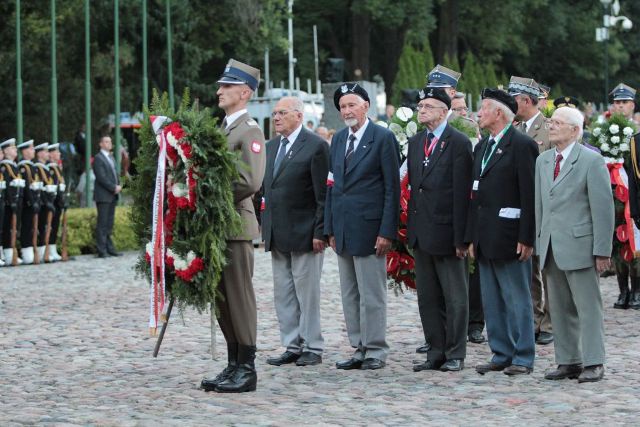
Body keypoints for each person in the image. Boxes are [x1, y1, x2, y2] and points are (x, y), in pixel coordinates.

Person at [324, 82, 400, 370]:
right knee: (350, 293)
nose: (347, 111)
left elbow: (392, 188)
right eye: (343, 107)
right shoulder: (339, 139)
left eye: (352, 105)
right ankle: (359, 346)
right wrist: (329, 227)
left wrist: (386, 231)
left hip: (371, 229)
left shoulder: (382, 138)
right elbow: (332, 185)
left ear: (366, 106)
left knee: (372, 294)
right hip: (343, 228)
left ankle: (376, 348)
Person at [200, 59, 265, 393]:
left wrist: (210, 195)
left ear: (244, 92)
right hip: (219, 227)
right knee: (222, 299)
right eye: (220, 86)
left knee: (239, 297)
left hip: (236, 225)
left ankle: (247, 369)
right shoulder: (224, 128)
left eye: (226, 87)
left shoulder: (249, 129)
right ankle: (233, 363)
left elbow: (250, 180)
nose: (219, 91)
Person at [536, 106, 614, 383]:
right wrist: (538, 242)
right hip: (551, 246)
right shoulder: (544, 161)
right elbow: (540, 206)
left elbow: (603, 210)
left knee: (588, 307)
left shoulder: (591, 161)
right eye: (551, 121)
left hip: (580, 245)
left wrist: (602, 250)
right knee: (558, 306)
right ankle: (568, 360)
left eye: (558, 122)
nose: (552, 126)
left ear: (575, 130)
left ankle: (594, 361)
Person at [468, 88, 538, 376]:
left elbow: (529, 194)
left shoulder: (521, 145)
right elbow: (476, 195)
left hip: (511, 236)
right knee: (492, 299)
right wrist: (471, 236)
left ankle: (523, 355)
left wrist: (527, 237)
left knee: (517, 297)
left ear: (499, 113)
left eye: (484, 108)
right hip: (485, 235)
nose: (479, 113)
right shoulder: (483, 146)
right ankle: (501, 351)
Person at [407, 87, 472, 372]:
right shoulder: (415, 141)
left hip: (448, 232)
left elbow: (462, 193)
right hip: (422, 232)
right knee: (428, 297)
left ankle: (455, 351)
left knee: (455, 296)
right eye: (420, 105)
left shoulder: (457, 142)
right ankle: (435, 350)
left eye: (428, 106)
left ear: (444, 112)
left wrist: (462, 237)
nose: (421, 110)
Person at [262, 96, 329, 367]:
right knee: (284, 293)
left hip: (305, 233)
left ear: (299, 116)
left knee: (307, 293)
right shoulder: (271, 146)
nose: (276, 117)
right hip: (277, 231)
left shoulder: (316, 146)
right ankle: (292, 344)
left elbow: (323, 194)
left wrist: (320, 232)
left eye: (282, 113)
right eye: (274, 113)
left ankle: (312, 345)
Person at [509, 76, 553, 346]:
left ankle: (550, 321)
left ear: (526, 101)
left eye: (514, 100)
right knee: (529, 267)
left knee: (547, 268)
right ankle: (535, 318)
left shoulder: (547, 129)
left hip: (544, 207)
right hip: (521, 208)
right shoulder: (514, 128)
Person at [92, 135, 122, 258]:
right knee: (102, 223)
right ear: (100, 144)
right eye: (106, 141)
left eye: (110, 141)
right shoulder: (98, 158)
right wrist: (113, 187)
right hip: (104, 195)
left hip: (112, 195)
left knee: (109, 224)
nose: (109, 143)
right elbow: (101, 177)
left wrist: (118, 185)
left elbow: (115, 173)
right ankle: (101, 249)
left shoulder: (111, 157)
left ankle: (109, 248)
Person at [18, 140, 42, 265]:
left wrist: (38, 201)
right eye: (31, 149)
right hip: (28, 204)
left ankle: (31, 251)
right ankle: (26, 252)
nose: (34, 151)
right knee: (27, 227)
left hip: (35, 201)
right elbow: (26, 187)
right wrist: (31, 202)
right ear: (25, 151)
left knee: (33, 227)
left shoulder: (32, 166)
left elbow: (36, 186)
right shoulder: (23, 167)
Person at [1, 138, 24, 265]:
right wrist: (11, 201)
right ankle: (7, 253)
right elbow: (8, 186)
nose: (15, 150)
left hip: (16, 202)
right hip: (9, 203)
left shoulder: (14, 166)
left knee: (14, 228)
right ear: (6, 151)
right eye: (12, 148)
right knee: (7, 228)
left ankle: (11, 252)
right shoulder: (5, 166)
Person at [33, 143, 58, 261]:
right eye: (46, 151)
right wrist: (45, 201)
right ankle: (40, 252)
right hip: (42, 203)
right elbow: (40, 187)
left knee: (48, 227)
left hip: (49, 201)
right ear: (40, 154)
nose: (48, 154)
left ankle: (45, 252)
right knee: (41, 227)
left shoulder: (45, 168)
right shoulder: (37, 168)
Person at [47, 143, 66, 261]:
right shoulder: (49, 168)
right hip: (51, 202)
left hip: (58, 202)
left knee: (55, 226)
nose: (59, 154)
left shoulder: (56, 168)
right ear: (51, 154)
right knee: (49, 226)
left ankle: (53, 249)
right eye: (57, 152)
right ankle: (48, 250)